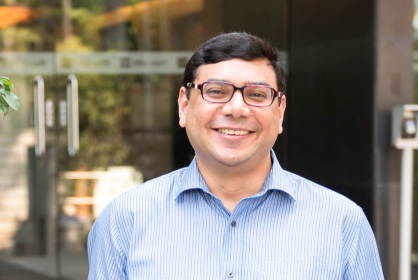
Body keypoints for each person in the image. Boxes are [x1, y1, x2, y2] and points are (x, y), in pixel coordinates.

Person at [87, 32, 385, 280]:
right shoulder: (123, 221)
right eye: (216, 91)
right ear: (184, 106)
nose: (236, 109)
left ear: (280, 112)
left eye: (256, 95)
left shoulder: (343, 223)